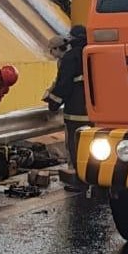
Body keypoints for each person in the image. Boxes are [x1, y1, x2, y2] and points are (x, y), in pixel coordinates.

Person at [44, 25, 87, 170]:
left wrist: (53, 103)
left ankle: (76, 174)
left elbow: (63, 85)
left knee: (75, 145)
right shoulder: (90, 54)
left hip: (75, 112)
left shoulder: (70, 58)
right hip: (94, 111)